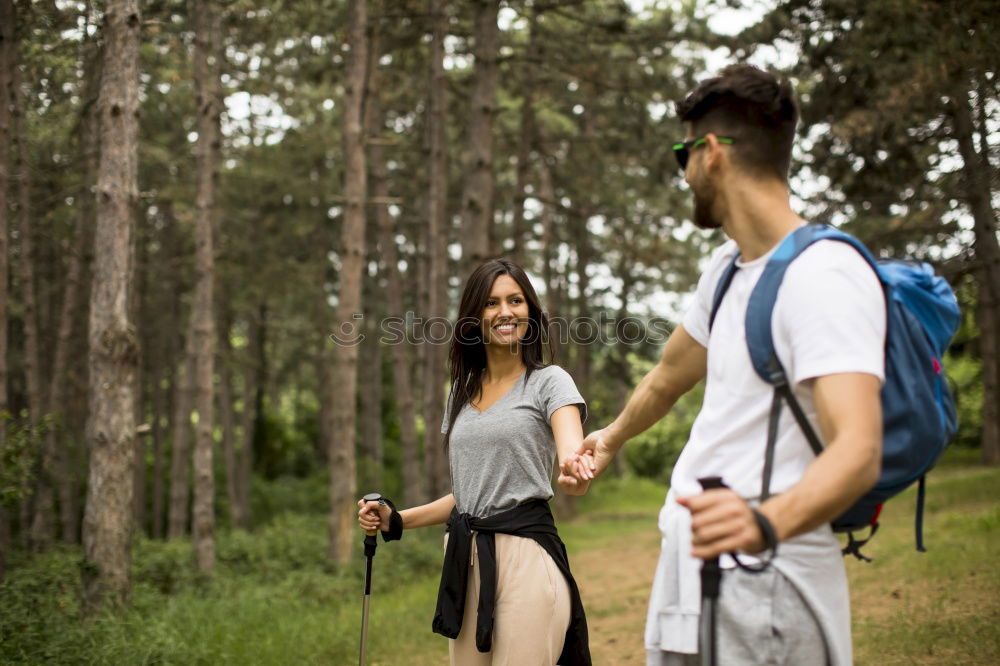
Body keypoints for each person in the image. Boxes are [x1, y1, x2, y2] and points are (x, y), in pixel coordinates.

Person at [562, 64, 885, 666]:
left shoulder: (825, 275)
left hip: (769, 574)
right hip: (693, 566)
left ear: (711, 154)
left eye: (682, 155)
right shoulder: (728, 270)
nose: (682, 174)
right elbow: (667, 377)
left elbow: (860, 449)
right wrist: (609, 438)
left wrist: (764, 523)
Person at [358, 257, 594, 666]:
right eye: (491, 303)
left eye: (516, 300)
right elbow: (470, 493)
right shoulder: (461, 393)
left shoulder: (549, 382)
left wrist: (575, 470)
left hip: (526, 557)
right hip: (464, 561)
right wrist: (395, 519)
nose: (505, 312)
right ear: (474, 317)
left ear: (530, 312)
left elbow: (573, 458)